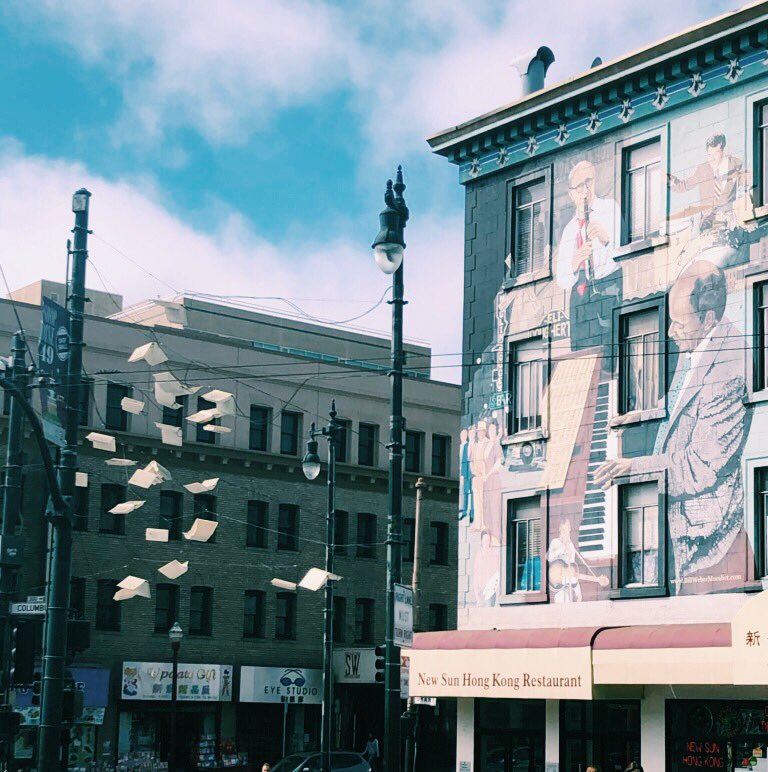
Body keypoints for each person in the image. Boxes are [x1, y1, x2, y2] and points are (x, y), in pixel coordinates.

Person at [594, 261, 749, 581]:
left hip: (702, 541)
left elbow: (698, 467)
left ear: (708, 319)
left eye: (679, 323)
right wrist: (641, 414)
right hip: (677, 519)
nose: (669, 331)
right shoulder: (700, 344)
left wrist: (633, 469)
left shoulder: (728, 368)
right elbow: (680, 403)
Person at [668, 133, 743, 229]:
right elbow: (684, 186)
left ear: (723, 151)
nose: (712, 159)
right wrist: (669, 180)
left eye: (716, 153)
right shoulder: (702, 170)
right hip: (708, 224)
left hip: (729, 222)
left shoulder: (735, 164)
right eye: (709, 154)